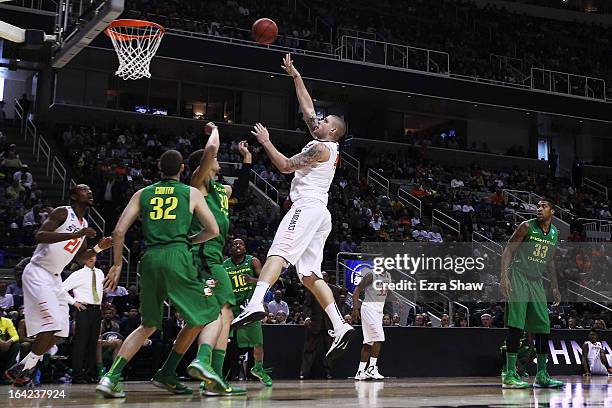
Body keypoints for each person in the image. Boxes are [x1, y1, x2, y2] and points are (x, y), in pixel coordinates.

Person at [232, 54, 353, 362]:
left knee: (278, 252)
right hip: (320, 212)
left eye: (326, 123)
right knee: (310, 274)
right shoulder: (326, 144)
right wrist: (295, 75)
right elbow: (308, 110)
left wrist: (266, 141)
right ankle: (339, 326)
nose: (319, 122)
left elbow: (286, 166)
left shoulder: (319, 148)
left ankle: (256, 302)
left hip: (307, 206)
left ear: (334, 132)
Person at [96, 149, 222, 398]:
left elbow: (119, 232)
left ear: (158, 166)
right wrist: (189, 241)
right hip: (177, 255)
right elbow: (213, 230)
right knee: (208, 312)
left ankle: (111, 377)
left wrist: (118, 264)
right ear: (183, 169)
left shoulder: (142, 193)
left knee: (148, 324)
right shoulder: (191, 193)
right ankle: (191, 364)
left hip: (149, 259)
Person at [4, 185, 111, 386]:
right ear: (73, 195)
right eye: (84, 190)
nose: (89, 192)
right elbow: (40, 235)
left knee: (62, 331)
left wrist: (98, 248)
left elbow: (80, 258)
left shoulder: (84, 223)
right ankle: (25, 370)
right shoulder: (63, 212)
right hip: (37, 272)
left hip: (54, 277)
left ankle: (22, 368)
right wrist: (75, 234)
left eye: (90, 190)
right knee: (51, 324)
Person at [176, 123, 251, 396]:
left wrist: (248, 160)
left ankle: (212, 378)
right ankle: (207, 368)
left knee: (223, 314)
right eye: (215, 161)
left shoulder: (220, 191)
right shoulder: (197, 187)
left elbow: (240, 192)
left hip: (213, 255)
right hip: (203, 256)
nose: (218, 162)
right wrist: (215, 130)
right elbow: (210, 151)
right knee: (220, 312)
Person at [500, 200, 563, 389]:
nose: (539, 209)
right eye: (537, 206)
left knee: (543, 326)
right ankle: (510, 375)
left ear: (552, 211)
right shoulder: (526, 226)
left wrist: (555, 286)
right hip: (519, 275)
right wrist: (504, 277)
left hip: (536, 280)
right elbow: (508, 250)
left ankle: (542, 375)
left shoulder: (554, 233)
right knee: (516, 324)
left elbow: (550, 260)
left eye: (543, 206)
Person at [224, 238, 272, 387]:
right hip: (231, 308)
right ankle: (216, 373)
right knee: (223, 342)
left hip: (248, 307)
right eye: (234, 244)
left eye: (241, 244)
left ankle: (258, 368)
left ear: (245, 247)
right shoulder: (224, 265)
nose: (238, 245)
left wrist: (252, 280)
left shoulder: (253, 261)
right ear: (230, 249)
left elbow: (266, 280)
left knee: (258, 343)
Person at [62, 254, 105, 383]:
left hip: (97, 310)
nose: (91, 258)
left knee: (93, 342)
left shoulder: (100, 272)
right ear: (82, 259)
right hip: (83, 309)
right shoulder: (77, 274)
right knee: (81, 342)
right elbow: (60, 289)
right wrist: (74, 302)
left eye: (94, 255)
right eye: (88, 256)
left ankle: (90, 374)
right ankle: (77, 375)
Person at [352, 268, 391, 380]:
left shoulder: (387, 276)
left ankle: (360, 371)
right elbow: (357, 290)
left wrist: (396, 299)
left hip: (378, 311)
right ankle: (371, 368)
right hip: (369, 309)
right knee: (379, 338)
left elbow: (386, 291)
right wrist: (355, 309)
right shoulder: (370, 275)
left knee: (369, 342)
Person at [0, 310, 20, 379]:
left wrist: (9, 341)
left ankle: (7, 373)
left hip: (3, 346)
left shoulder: (7, 321)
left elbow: (16, 336)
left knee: (16, 345)